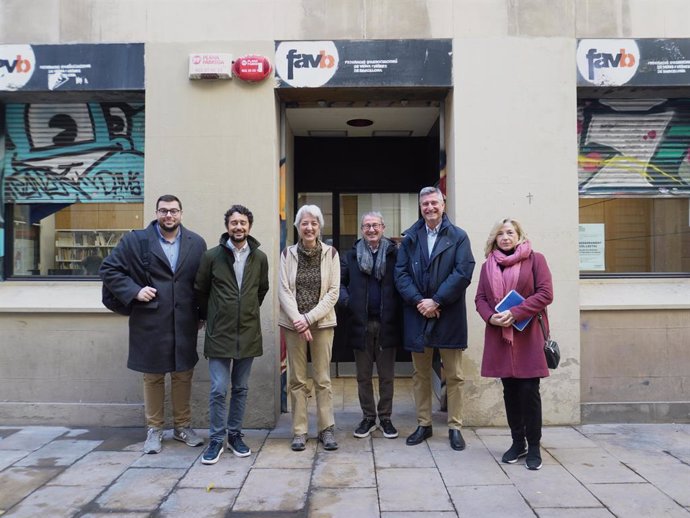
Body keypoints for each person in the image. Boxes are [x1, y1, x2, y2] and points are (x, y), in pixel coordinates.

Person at [100, 194, 207, 454]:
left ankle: (182, 427)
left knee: (183, 373)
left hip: (184, 322)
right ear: (156, 213)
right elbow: (109, 269)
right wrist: (135, 291)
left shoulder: (196, 243)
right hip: (149, 320)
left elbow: (202, 283)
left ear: (181, 213)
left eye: (173, 211)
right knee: (153, 376)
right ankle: (154, 430)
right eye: (163, 211)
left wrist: (202, 314)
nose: (168, 215)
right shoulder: (136, 240)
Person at [394, 186, 475, 451]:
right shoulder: (410, 238)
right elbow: (401, 274)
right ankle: (424, 424)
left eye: (434, 203)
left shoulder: (459, 237)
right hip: (418, 314)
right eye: (425, 204)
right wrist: (420, 302)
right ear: (420, 207)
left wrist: (436, 300)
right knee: (421, 375)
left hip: (448, 313)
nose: (430, 208)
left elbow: (463, 272)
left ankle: (455, 426)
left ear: (443, 205)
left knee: (454, 375)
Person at [474, 217, 553, 470]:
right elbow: (480, 299)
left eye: (510, 232)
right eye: (500, 233)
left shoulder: (536, 260)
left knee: (529, 392)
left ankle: (535, 447)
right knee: (510, 392)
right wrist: (491, 316)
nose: (505, 237)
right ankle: (517, 443)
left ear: (519, 235)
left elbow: (545, 293)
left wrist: (516, 312)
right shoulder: (487, 266)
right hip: (500, 337)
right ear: (494, 239)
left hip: (528, 335)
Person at [195, 205, 269, 465]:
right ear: (227, 226)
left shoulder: (259, 258)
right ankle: (216, 439)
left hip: (248, 332)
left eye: (243, 223)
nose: (239, 227)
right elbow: (201, 290)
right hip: (219, 333)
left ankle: (235, 435)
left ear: (249, 226)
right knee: (218, 389)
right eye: (234, 223)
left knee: (241, 388)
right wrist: (212, 315)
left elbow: (261, 290)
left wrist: (245, 310)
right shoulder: (212, 256)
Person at [279, 204, 340, 452]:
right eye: (304, 223)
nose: (309, 227)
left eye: (314, 223)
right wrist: (298, 320)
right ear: (297, 226)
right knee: (297, 379)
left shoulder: (331, 254)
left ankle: (326, 429)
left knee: (323, 379)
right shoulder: (287, 254)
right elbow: (284, 291)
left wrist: (309, 319)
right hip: (293, 325)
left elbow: (333, 292)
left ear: (319, 227)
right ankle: (300, 431)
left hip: (322, 324)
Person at [339, 211, 402, 439]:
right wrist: (349, 303)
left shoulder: (396, 254)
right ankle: (368, 417)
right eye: (367, 226)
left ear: (383, 227)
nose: (371, 230)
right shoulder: (352, 255)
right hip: (360, 324)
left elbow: (402, 281)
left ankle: (385, 418)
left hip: (387, 324)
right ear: (361, 229)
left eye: (375, 225)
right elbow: (340, 284)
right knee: (363, 376)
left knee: (387, 376)